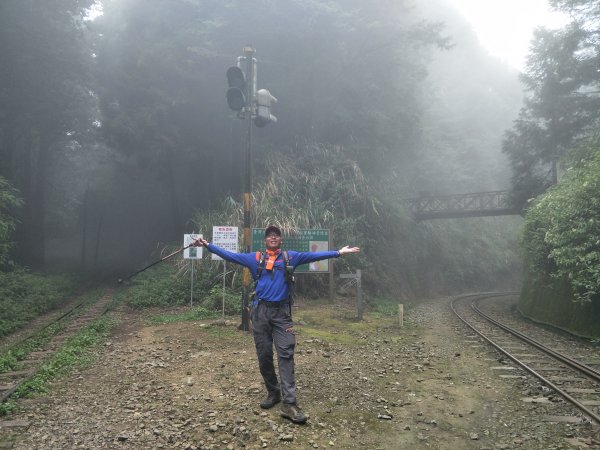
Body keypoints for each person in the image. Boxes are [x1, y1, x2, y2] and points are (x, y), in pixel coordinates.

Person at [193, 225, 360, 424]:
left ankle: (289, 404)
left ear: (281, 240)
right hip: (261, 312)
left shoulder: (291, 257)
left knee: (286, 354)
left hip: (282, 314)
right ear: (265, 240)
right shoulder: (255, 258)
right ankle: (273, 392)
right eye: (270, 235)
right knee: (263, 355)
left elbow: (313, 256)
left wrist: (339, 252)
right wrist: (208, 245)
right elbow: (230, 255)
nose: (273, 237)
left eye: (276, 235)